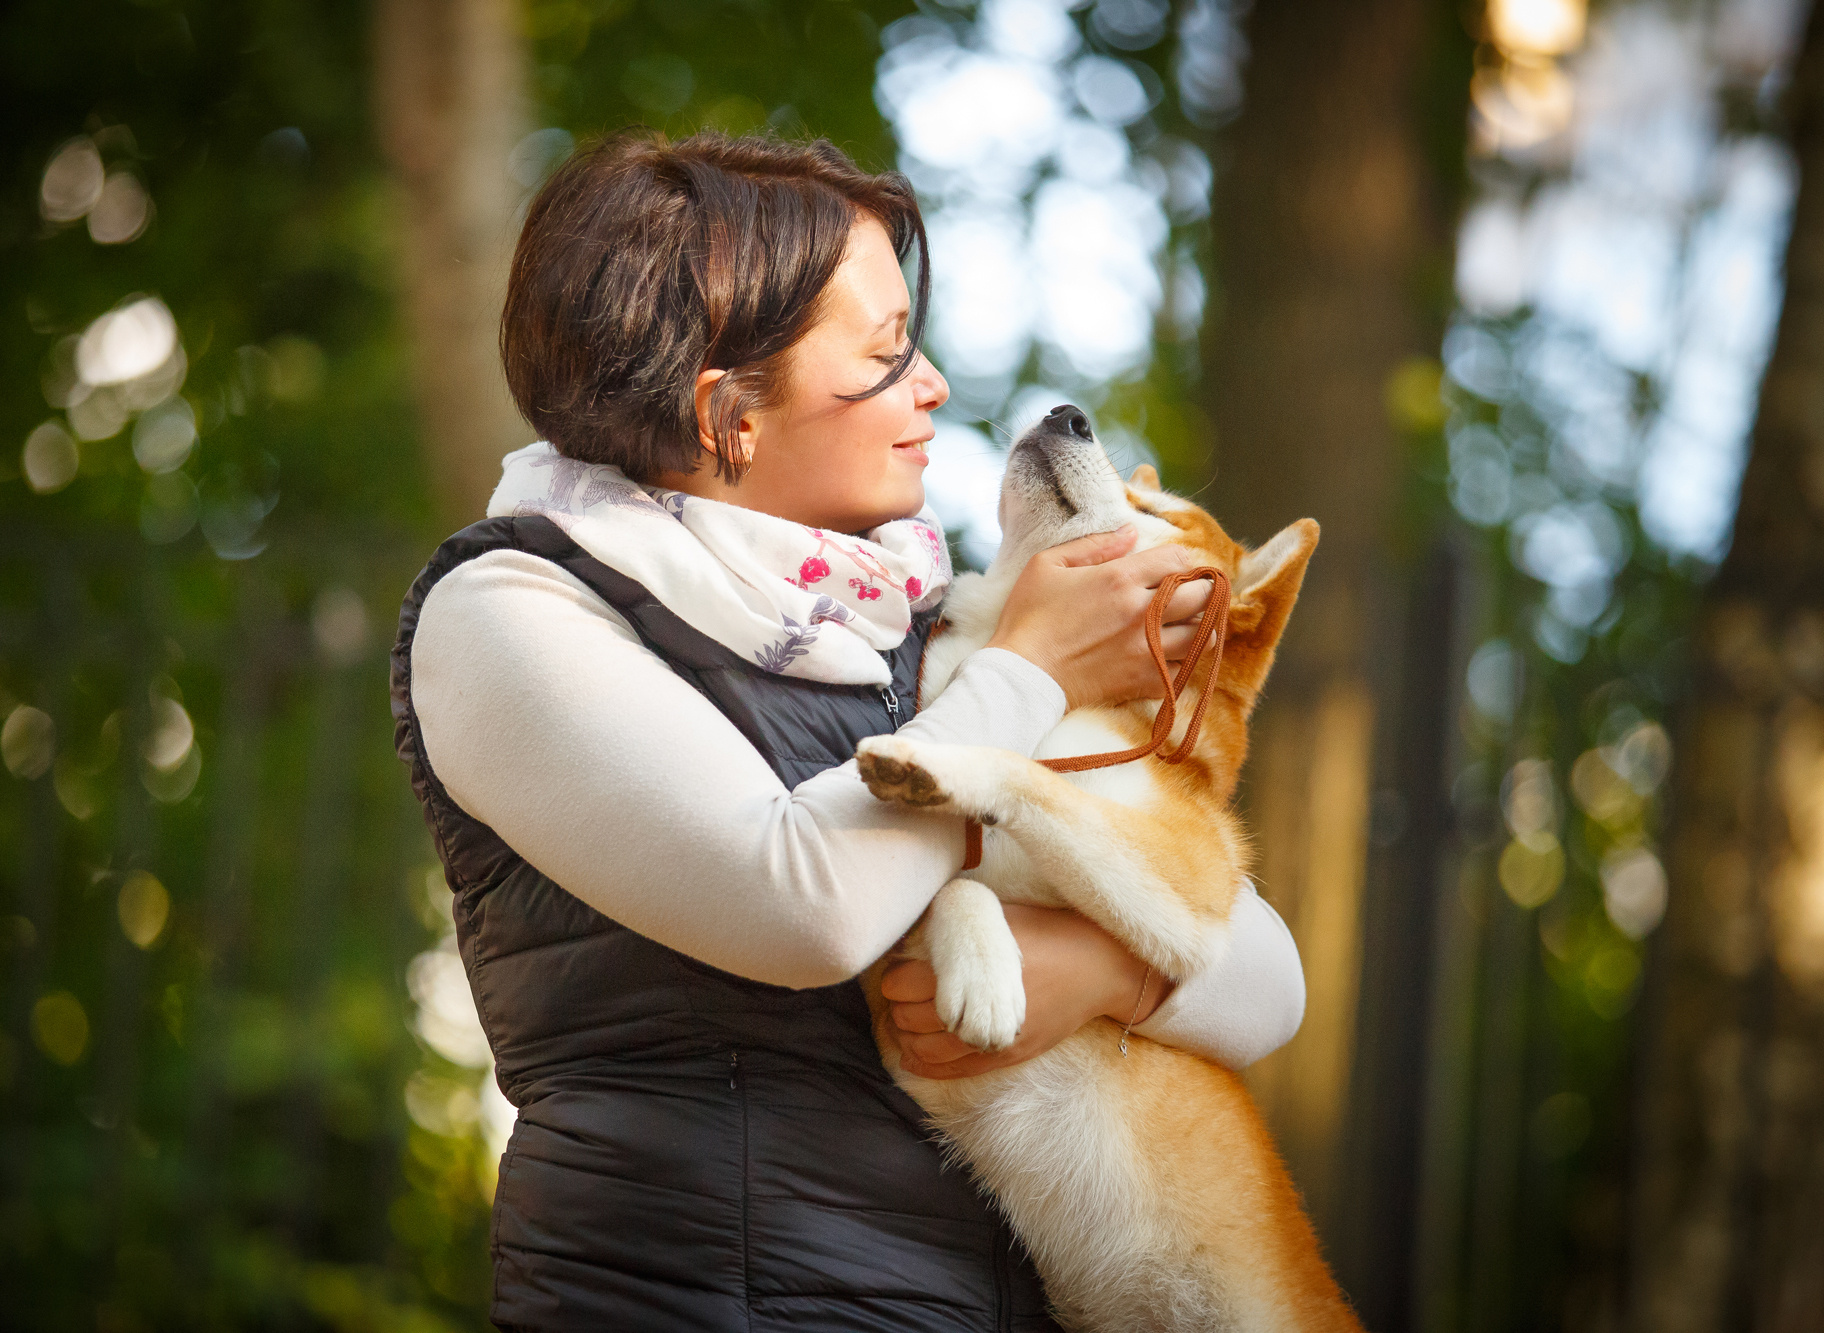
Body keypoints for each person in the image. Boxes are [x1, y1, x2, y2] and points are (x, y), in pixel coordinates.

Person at [390, 131, 1305, 1332]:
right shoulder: (511, 610)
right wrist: (1029, 667)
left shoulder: (899, 625)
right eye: (884, 356)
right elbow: (800, 900)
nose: (930, 385)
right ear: (729, 413)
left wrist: (1097, 970)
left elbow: (1267, 976)